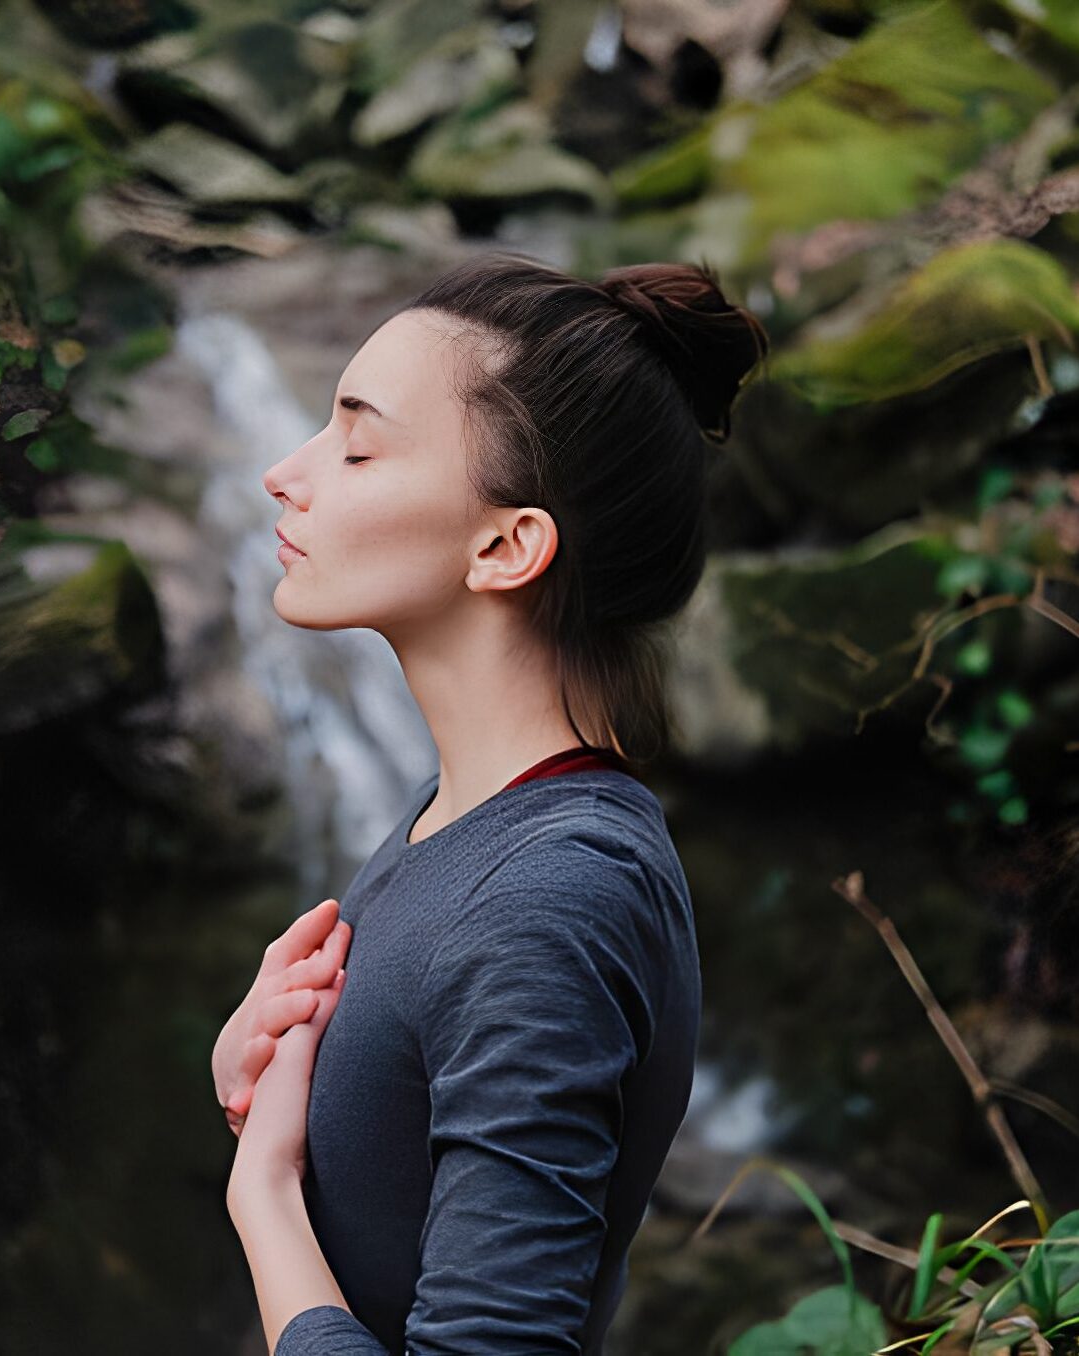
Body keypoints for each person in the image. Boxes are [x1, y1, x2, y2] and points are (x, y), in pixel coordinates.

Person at [212, 251, 770, 1355]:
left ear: (508, 546)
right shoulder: (460, 815)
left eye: (357, 444)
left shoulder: (547, 897)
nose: (284, 472)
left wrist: (265, 1198)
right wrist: (274, 1091)